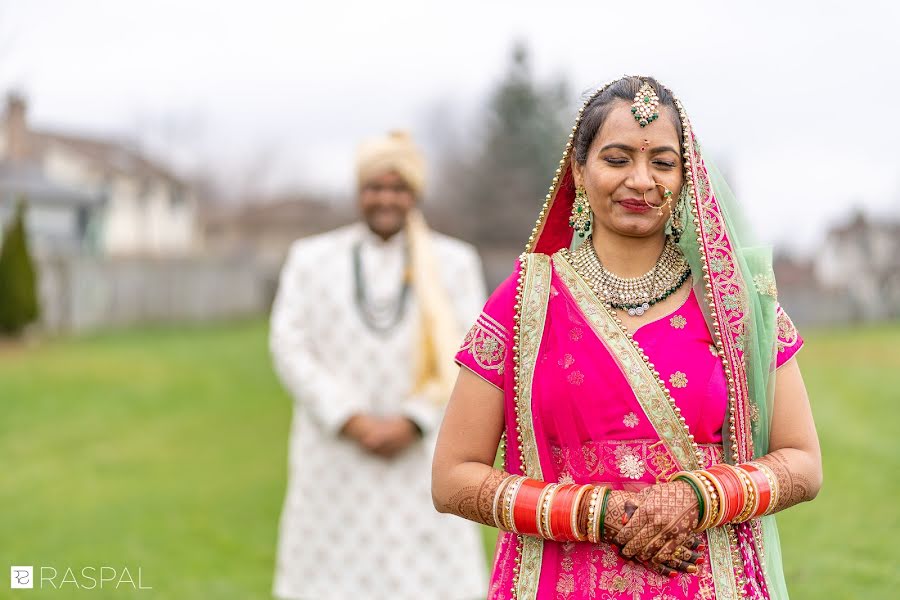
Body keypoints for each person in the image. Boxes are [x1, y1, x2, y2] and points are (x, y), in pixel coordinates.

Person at [432, 76, 822, 600]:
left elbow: (803, 462)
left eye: (663, 162)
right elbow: (453, 477)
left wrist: (698, 496)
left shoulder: (735, 302)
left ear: (687, 177)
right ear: (578, 169)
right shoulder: (524, 301)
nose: (640, 179)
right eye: (617, 159)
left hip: (710, 584)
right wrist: (599, 512)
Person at [271, 130, 488, 599]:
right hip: (334, 453)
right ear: (359, 192)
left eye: (398, 187)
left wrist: (414, 420)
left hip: (422, 452)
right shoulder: (311, 259)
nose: (386, 198)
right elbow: (288, 345)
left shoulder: (454, 263)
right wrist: (349, 418)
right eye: (375, 187)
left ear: (414, 193)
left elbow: (474, 353)